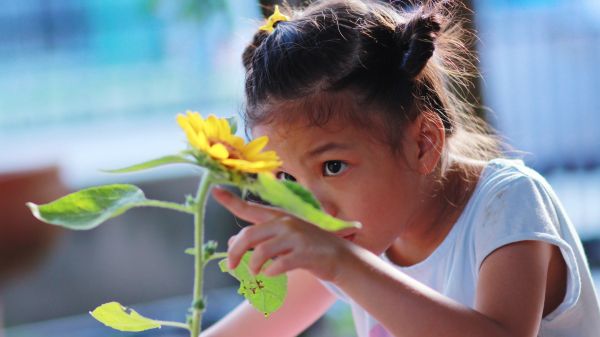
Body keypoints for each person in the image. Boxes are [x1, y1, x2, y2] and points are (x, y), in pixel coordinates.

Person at [203, 1, 600, 336]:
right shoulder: (359, 237)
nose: (311, 207)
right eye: (286, 178)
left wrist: (343, 265)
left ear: (423, 143)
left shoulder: (508, 203)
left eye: (333, 166)